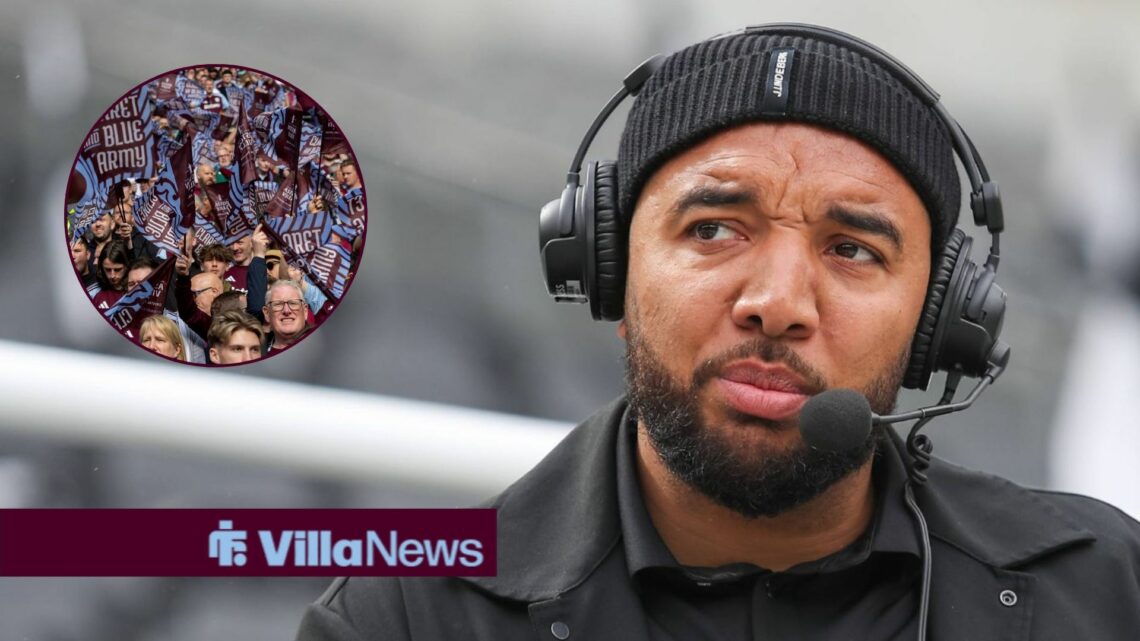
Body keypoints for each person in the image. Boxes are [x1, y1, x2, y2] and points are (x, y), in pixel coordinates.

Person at [295, 25, 1140, 640]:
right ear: (609, 269)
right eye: (713, 229)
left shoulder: (1107, 589)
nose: (777, 303)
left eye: (852, 249)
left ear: (939, 322)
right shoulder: (402, 619)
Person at [261, 280, 310, 354]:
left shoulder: (322, 346)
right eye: (278, 304)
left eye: (293, 303)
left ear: (305, 311)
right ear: (266, 313)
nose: (286, 311)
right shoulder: (256, 353)